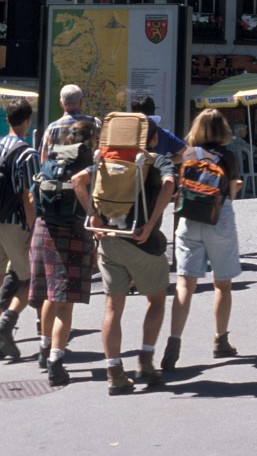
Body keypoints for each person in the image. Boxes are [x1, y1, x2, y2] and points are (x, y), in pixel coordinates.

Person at [72, 118, 177, 394]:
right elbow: (169, 185)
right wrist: (151, 223)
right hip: (142, 241)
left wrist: (94, 216)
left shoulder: (107, 159)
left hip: (109, 241)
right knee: (156, 300)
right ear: (153, 139)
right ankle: (145, 360)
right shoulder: (157, 160)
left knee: (112, 308)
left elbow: (77, 181)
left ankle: (114, 373)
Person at [160, 109, 242, 371]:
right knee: (222, 284)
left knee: (184, 284)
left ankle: (174, 342)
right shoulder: (228, 156)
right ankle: (220, 340)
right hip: (218, 219)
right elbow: (231, 193)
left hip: (188, 219)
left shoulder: (188, 154)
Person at [29, 119, 97, 386]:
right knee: (65, 303)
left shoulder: (52, 159)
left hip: (44, 229)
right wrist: (92, 215)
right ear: (91, 140)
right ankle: (56, 362)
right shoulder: (87, 164)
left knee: (50, 294)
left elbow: (33, 196)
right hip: (73, 233)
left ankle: (44, 348)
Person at [0, 97, 40, 360]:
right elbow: (29, 196)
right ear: (28, 121)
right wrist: (35, 229)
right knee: (32, 279)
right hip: (16, 225)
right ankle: (8, 320)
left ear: (7, 119)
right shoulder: (28, 154)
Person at [40, 84, 100, 162]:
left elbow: (43, 158)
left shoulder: (51, 128)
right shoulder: (94, 123)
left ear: (61, 103)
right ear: (80, 102)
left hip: (59, 169)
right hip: (87, 169)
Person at [129, 96, 186, 163]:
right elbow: (186, 154)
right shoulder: (164, 134)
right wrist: (163, 163)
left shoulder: (125, 133)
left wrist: (163, 163)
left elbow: (185, 154)